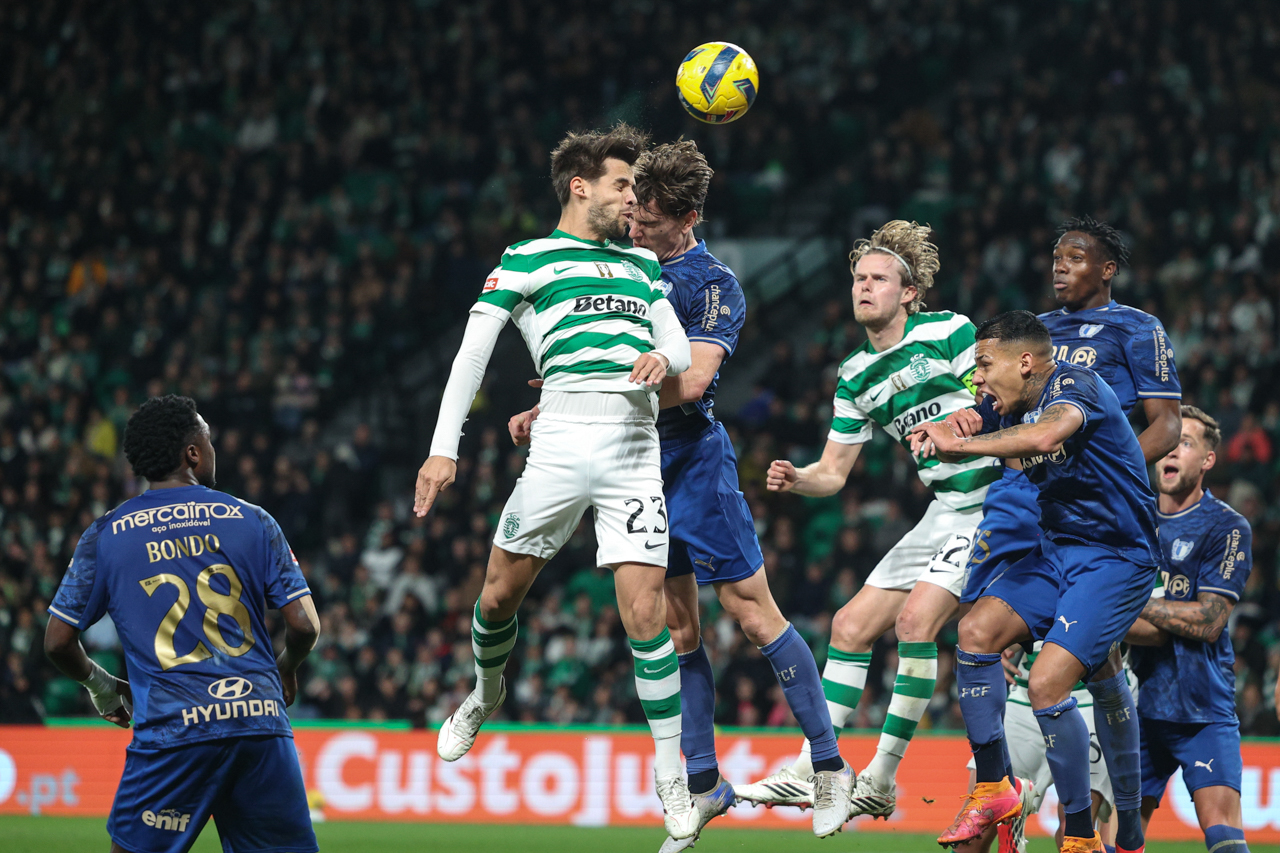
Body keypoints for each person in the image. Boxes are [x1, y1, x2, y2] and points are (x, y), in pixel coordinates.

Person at [511, 139, 848, 844]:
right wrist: (554, 406)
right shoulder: (623, 269)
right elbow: (603, 364)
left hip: (694, 460)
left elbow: (691, 381)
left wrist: (594, 389)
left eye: (651, 218)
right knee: (677, 629)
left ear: (687, 217)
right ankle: (703, 784)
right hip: (632, 461)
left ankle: (828, 766)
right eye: (632, 211)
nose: (634, 224)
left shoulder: (713, 282)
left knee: (753, 615)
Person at [413, 124, 699, 840]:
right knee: (498, 595)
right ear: (581, 187)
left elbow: (672, 343)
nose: (634, 198)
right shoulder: (527, 258)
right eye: (623, 185)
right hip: (562, 440)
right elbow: (470, 354)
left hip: (634, 443)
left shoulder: (640, 265)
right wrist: (442, 448)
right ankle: (484, 692)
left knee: (648, 616)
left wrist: (664, 361)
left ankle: (674, 776)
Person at [735, 221, 1002, 819]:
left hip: (995, 501)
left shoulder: (948, 330)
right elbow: (834, 472)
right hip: (945, 511)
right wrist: (800, 479)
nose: (864, 287)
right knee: (851, 625)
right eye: (858, 278)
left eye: (879, 278)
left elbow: (1000, 394)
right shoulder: (855, 374)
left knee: (914, 623)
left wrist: (968, 423)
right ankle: (816, 767)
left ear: (908, 293)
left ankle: (881, 778)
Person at [956, 216, 1183, 853]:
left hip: (1103, 514)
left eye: (1075, 257)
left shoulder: (1139, 329)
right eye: (1056, 256)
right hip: (1035, 505)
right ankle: (1022, 799)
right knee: (991, 638)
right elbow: (994, 403)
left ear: (1107, 269)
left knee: (1093, 664)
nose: (1060, 267)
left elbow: (1165, 425)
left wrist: (1105, 476)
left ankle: (1111, 816)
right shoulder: (1038, 336)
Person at [913, 311, 1162, 853]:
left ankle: (1079, 836)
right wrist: (951, 426)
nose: (975, 377)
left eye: (983, 364)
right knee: (975, 633)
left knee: (1048, 684)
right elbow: (972, 417)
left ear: (1025, 362)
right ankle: (994, 785)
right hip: (1057, 551)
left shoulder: (1074, 385)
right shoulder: (1009, 403)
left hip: (1116, 559)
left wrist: (959, 447)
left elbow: (1049, 432)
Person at [43, 395, 320, 853]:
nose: (212, 449)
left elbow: (57, 641)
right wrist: (285, 666)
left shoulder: (106, 534)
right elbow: (305, 626)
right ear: (192, 452)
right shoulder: (253, 519)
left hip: (175, 732)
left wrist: (101, 685)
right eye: (207, 439)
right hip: (260, 723)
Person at [1127, 406, 1254, 853]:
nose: (1170, 450)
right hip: (1135, 705)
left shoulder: (1227, 527)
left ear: (1207, 460)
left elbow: (1210, 621)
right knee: (1116, 832)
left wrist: (1134, 605)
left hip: (1201, 707)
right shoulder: (1131, 519)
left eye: (1185, 442)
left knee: (1221, 828)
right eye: (1167, 441)